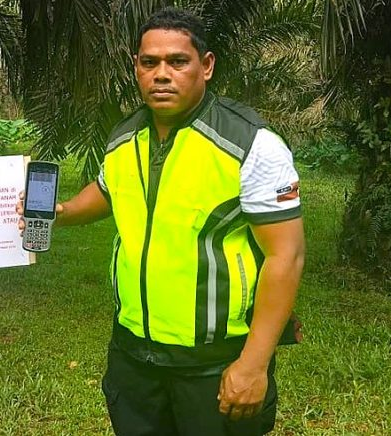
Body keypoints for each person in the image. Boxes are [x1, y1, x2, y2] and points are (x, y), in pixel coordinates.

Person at [17, 7, 304, 436]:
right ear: (136, 66)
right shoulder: (124, 137)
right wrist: (64, 212)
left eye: (178, 61)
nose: (162, 74)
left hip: (213, 361)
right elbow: (109, 190)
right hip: (133, 354)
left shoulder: (250, 144)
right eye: (149, 62)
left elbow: (286, 256)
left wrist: (253, 365)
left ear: (206, 66)